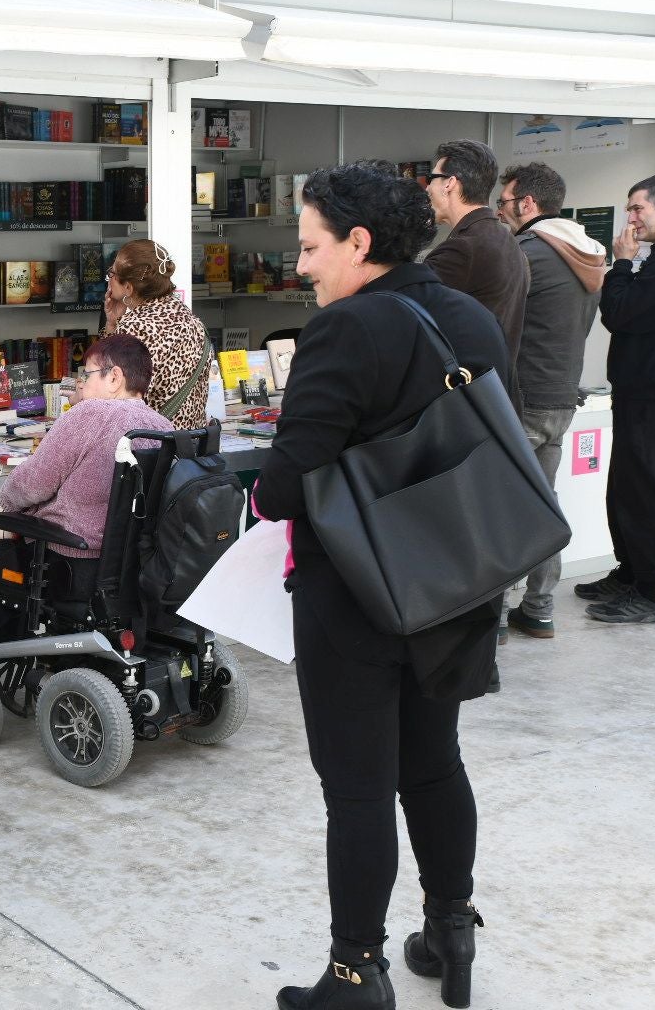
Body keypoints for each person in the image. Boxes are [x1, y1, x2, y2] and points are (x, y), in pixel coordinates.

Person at [254, 162, 508, 1010]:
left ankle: (356, 973)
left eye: (311, 246)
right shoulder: (467, 316)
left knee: (359, 786)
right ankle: (451, 929)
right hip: (460, 575)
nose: (302, 266)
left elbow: (289, 484)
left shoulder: (347, 330)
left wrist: (256, 490)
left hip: (359, 593)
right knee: (434, 764)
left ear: (358, 243)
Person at [0, 334, 171, 628]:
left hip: (75, 560)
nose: (81, 383)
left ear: (114, 378)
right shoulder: (163, 426)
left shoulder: (90, 414)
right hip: (133, 565)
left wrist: (7, 500)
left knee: (7, 542)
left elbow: (32, 484)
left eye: (88, 374)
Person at [576, 173, 655, 625]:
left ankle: (650, 594)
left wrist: (623, 261)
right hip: (641, 391)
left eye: (637, 208)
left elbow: (620, 312)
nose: (630, 218)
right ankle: (630, 572)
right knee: (627, 486)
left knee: (646, 487)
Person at [494, 163, 605, 638]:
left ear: (528, 204)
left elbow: (495, 328)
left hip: (523, 401)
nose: (500, 212)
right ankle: (538, 608)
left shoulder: (527, 254)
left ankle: (489, 618)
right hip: (561, 399)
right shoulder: (586, 252)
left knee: (494, 507)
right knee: (542, 506)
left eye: (504, 202)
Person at [424, 139, 530, 375]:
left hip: (464, 398)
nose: (427, 188)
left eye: (432, 179)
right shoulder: (507, 242)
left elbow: (405, 318)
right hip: (496, 391)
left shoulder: (463, 249)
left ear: (450, 183)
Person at [102, 239, 211, 429]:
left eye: (112, 273)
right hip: (190, 446)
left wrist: (80, 395)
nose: (109, 279)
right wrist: (113, 323)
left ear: (128, 287)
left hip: (152, 447)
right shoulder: (189, 319)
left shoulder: (136, 327)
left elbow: (111, 393)